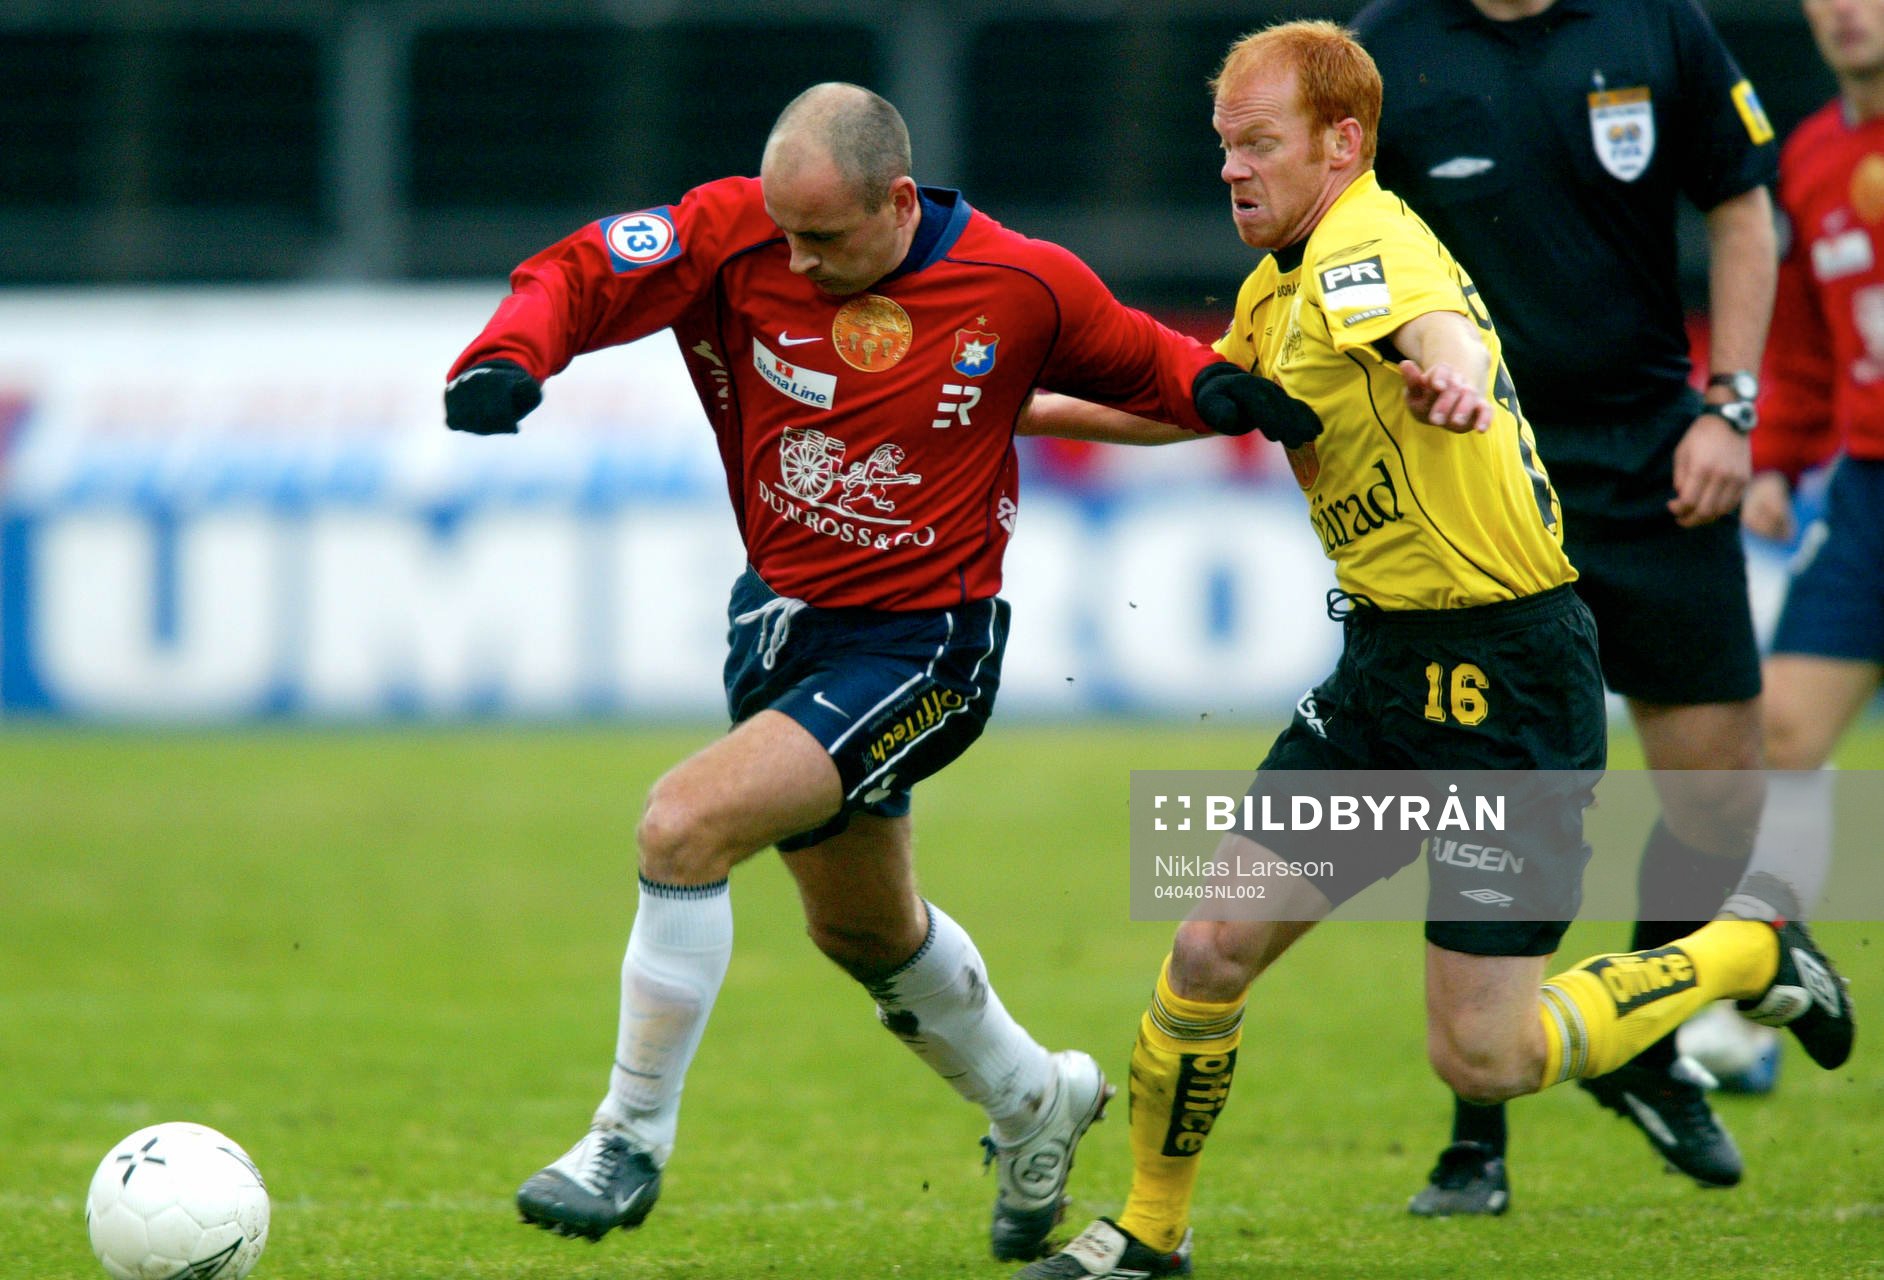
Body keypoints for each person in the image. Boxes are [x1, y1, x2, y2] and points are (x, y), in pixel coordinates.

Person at [1011, 24, 1852, 1278]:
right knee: (1208, 950)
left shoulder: (1364, 248)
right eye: (1223, 146)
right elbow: (1185, 402)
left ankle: (1748, 946)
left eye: (1258, 145)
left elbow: (1427, 328)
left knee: (1487, 1056)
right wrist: (999, 412)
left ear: (1343, 143)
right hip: (1386, 678)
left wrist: (1452, 374)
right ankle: (1151, 1228)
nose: (1231, 170)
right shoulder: (1279, 280)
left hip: (1506, 685)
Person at [441, 82, 1322, 1264]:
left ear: (900, 201)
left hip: (925, 646)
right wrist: (509, 355)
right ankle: (1034, 1098)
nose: (797, 263)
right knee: (863, 929)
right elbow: (584, 272)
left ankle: (626, 1139)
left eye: (826, 237)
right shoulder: (730, 232)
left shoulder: (1020, 282)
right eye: (787, 234)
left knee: (682, 825)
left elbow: (1146, 362)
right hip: (781, 624)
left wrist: (1223, 390)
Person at [1350, 0, 1785, 1208]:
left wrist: (1731, 404)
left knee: (1721, 791)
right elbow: (1331, 247)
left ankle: (1637, 1038)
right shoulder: (1385, 45)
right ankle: (1475, 1135)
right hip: (1480, 473)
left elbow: (1745, 204)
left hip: (1655, 456)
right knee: (1500, 795)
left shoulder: (1660, 26)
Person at [1738, 0, 1884, 934]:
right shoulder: (1808, 158)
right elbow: (1798, 346)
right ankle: (1758, 987)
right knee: (1781, 731)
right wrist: (1774, 464)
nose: (1843, 11)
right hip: (1867, 488)